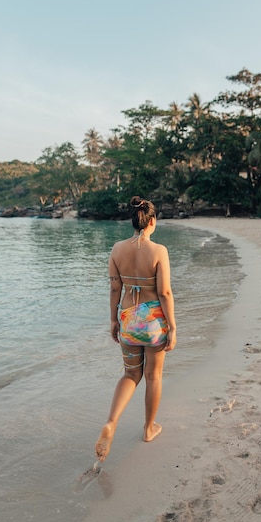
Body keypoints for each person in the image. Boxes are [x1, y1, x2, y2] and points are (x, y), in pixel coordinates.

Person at [95, 196, 177, 462]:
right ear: (152, 221)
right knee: (153, 376)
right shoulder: (159, 251)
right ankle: (149, 428)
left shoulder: (117, 249)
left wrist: (113, 320)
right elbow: (164, 292)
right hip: (153, 320)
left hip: (129, 317)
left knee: (131, 375)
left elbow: (114, 288)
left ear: (134, 221)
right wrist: (173, 327)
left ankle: (111, 422)